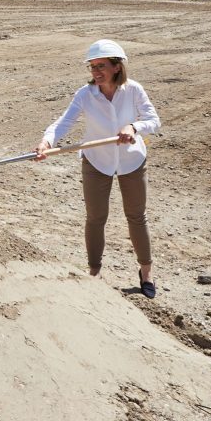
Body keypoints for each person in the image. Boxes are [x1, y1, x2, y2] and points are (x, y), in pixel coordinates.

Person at [35, 40, 161, 298]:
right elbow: (64, 121)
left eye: (101, 66)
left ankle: (146, 272)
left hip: (131, 161)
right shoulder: (85, 94)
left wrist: (133, 128)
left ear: (117, 66)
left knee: (136, 216)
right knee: (95, 218)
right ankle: (94, 271)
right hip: (96, 161)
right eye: (92, 67)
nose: (95, 72)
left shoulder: (133, 90)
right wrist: (47, 141)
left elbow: (153, 119)